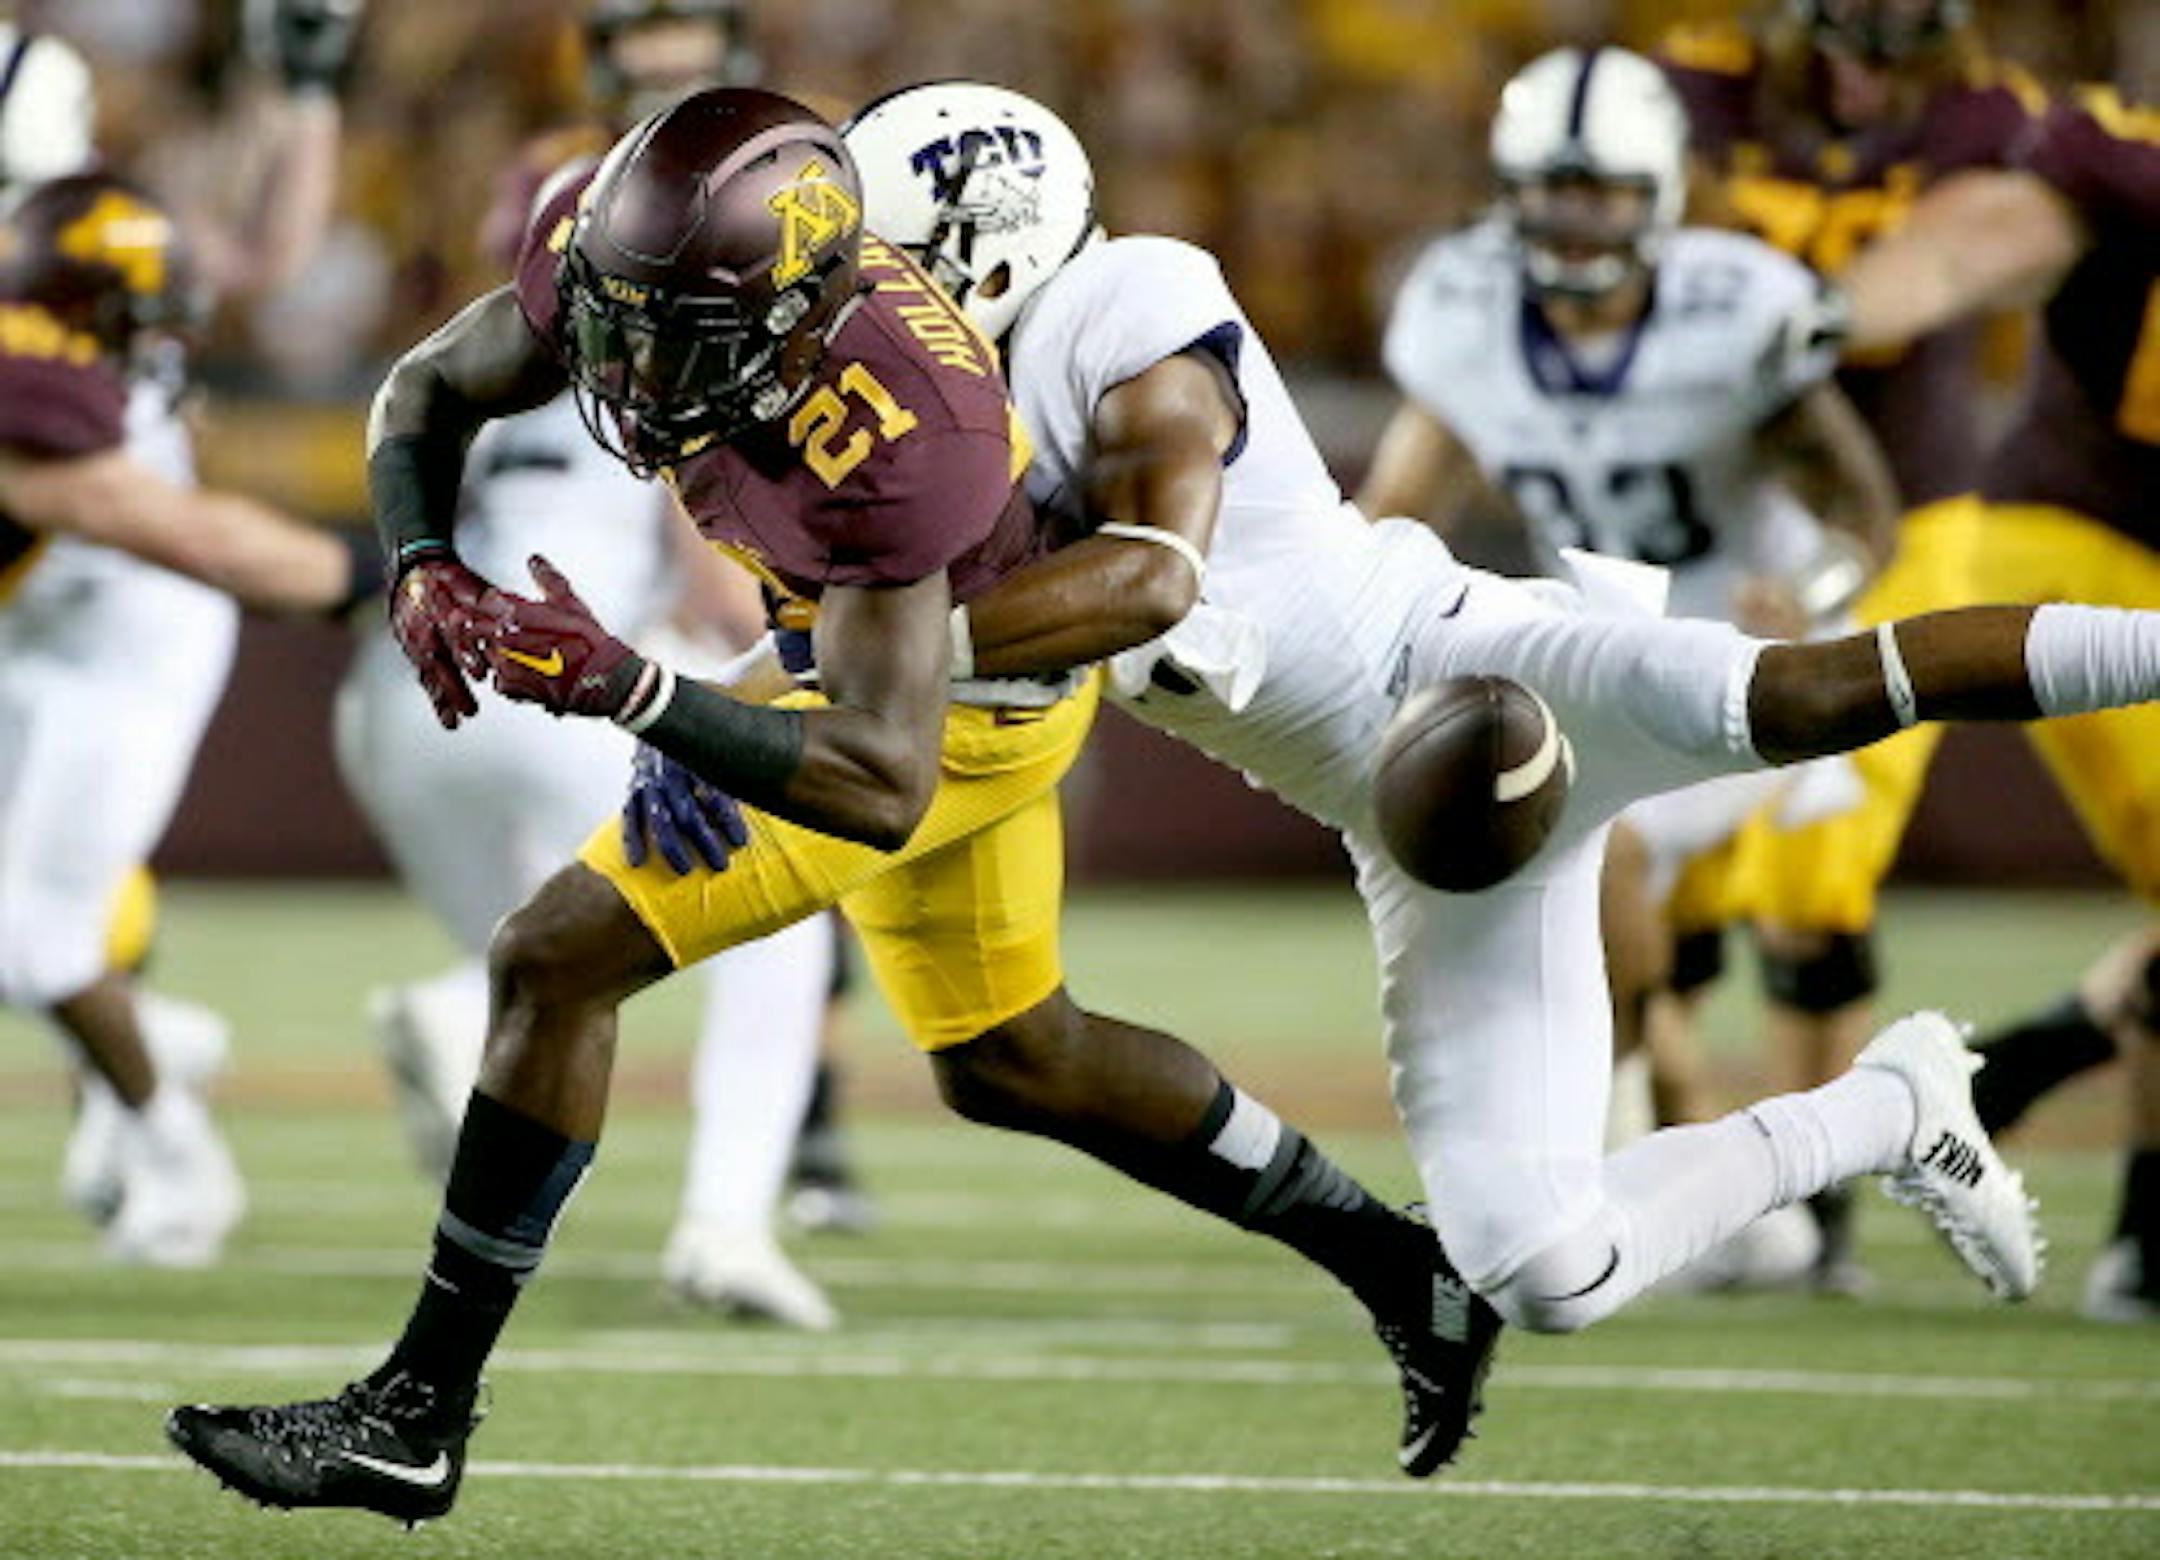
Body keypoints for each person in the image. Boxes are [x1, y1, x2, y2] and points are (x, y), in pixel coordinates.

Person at [165, 88, 1486, 1523]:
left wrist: (645, 696)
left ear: (796, 326)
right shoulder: (632, 259)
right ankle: (1404, 1269)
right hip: (858, 670)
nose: (630, 366)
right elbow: (424, 389)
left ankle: (414, 1417)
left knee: (554, 957)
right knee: (1011, 1058)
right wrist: (422, 561)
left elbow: (878, 774)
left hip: (952, 713)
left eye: (678, 339)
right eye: (616, 319)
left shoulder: (907, 434)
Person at [823, 72, 2155, 1435]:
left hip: (1477, 665)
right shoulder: (940, 413)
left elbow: (1151, 573)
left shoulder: (1129, 297)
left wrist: (863, 654)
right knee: (1544, 1270)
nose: (857, 306)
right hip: (1415, 817)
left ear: (995, 246)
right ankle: (1890, 1110)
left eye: (884, 269)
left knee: (1816, 693)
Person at [351, 0, 853, 1328]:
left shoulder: (545, 260)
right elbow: (694, 523)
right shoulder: (691, 285)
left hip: (407, 682)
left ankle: (469, 1018)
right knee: (778, 914)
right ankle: (726, 1226)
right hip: (555, 653)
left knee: (565, 951)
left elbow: (424, 391)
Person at [1357, 48, 1896, 1204]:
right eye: (1552, 189)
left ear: (1658, 194)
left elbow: (1864, 515)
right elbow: (1397, 508)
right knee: (1586, 857)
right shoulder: (1462, 312)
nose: (1574, 218)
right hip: (1606, 640)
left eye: (1600, 191)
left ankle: (1659, 1143)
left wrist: (1816, 594)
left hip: (1761, 654)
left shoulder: (1739, 308)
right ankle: (1676, 1146)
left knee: (1678, 877)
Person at [1657, 0, 2049, 1289]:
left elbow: (1951, 273)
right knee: (1665, 880)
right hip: (1727, 513)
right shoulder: (1698, 83)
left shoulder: (1985, 116)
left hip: (1907, 511)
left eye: (1899, 43)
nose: (1869, 72)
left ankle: (1812, 1206)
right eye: (1845, 37)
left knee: (1813, 879)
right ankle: (1673, 1177)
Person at [0, 169, 377, 1265]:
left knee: (38, 941)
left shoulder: (51, 386)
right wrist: (387, 576)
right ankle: (157, 1041)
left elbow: (180, 532)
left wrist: (381, 579)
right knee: (30, 941)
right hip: (63, 617)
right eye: (140, 320)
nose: (162, 349)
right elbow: (184, 530)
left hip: (122, 634)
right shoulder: (35, 384)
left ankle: (176, 1155)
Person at [1828, 84, 2160, 1319]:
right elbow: (1976, 241)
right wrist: (1840, 306)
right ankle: (2137, 1229)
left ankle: (2018, 1072)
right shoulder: (2126, 157)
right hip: (2084, 549)